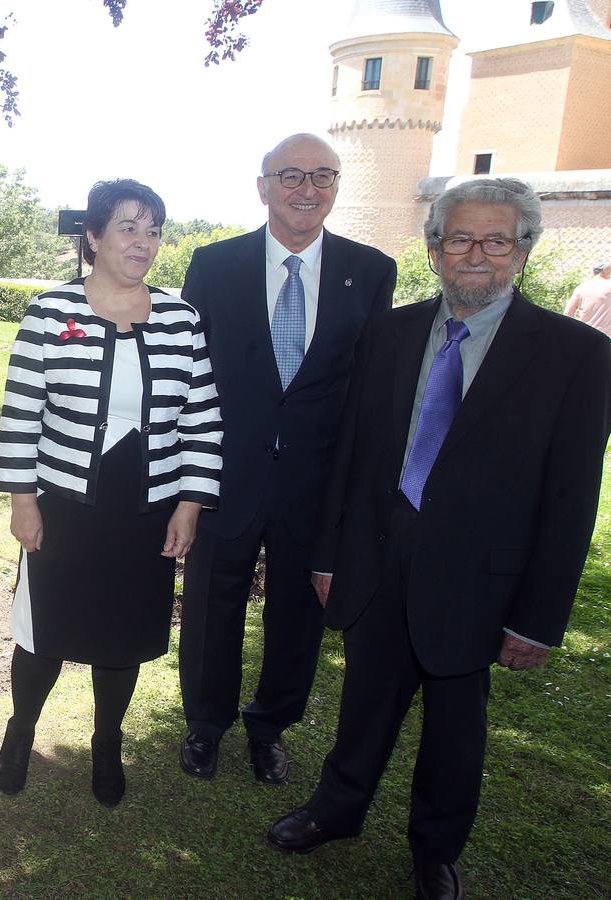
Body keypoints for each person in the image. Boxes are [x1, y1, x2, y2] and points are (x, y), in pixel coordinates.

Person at [268, 178, 611, 900]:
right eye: (460, 238)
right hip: (377, 565)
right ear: (434, 250)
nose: (476, 254)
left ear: (523, 251)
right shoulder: (388, 333)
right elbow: (353, 455)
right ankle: (336, 811)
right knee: (365, 702)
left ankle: (434, 851)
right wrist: (329, 554)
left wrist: (537, 619)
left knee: (456, 732)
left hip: (481, 584)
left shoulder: (576, 356)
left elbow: (570, 501)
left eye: (496, 239)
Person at [0, 179, 222, 807]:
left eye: (152, 230)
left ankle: (107, 742)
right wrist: (22, 500)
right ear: (92, 237)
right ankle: (21, 732)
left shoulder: (182, 317)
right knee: (44, 630)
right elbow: (21, 412)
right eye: (128, 227)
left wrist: (191, 502)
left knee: (123, 634)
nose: (142, 243)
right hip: (65, 499)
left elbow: (202, 418)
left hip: (147, 503)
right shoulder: (49, 313)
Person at [176, 133, 396, 786]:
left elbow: (366, 387)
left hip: (317, 484)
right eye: (292, 175)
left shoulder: (371, 270)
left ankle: (270, 725)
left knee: (299, 616)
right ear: (263, 186)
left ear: (336, 186)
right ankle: (206, 725)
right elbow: (189, 379)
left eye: (323, 175)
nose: (308, 188)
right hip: (225, 477)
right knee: (213, 607)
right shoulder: (214, 266)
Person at [562, 258, 611, 336]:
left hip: (584, 334)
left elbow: (568, 313)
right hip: (605, 338)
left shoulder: (581, 287)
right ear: (607, 270)